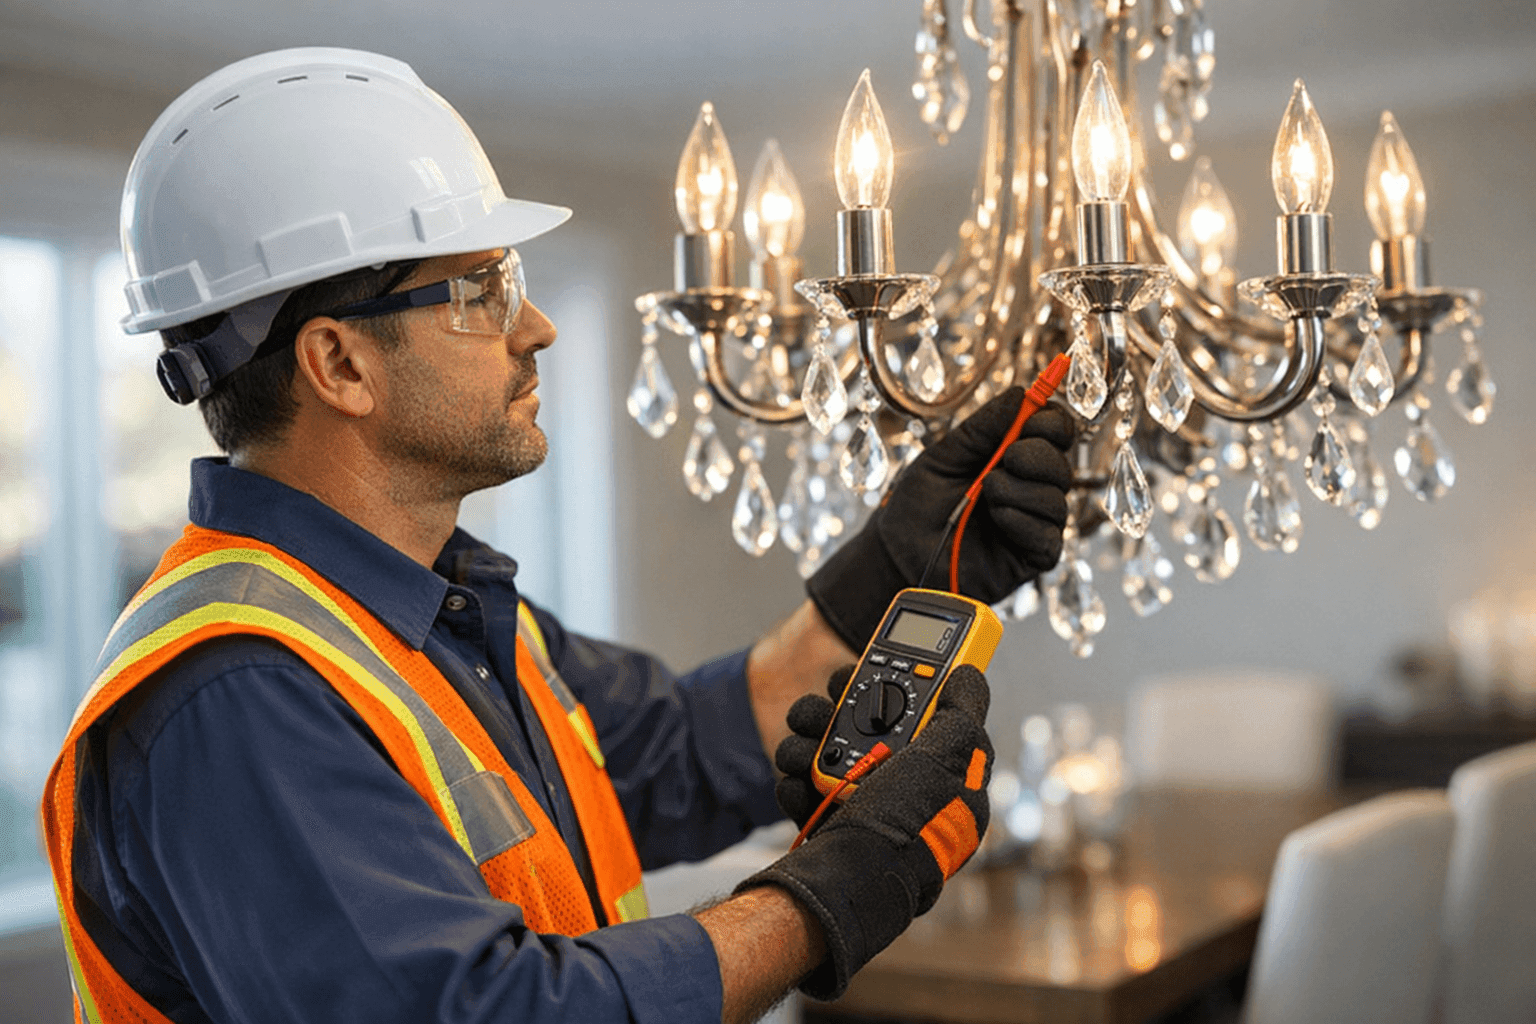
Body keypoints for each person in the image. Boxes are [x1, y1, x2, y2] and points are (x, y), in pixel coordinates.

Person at [40, 48, 1074, 1024]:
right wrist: (834, 892)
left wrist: (899, 563)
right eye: (482, 291)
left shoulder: (440, 616)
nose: (535, 329)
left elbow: (683, 748)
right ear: (338, 364)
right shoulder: (235, 690)